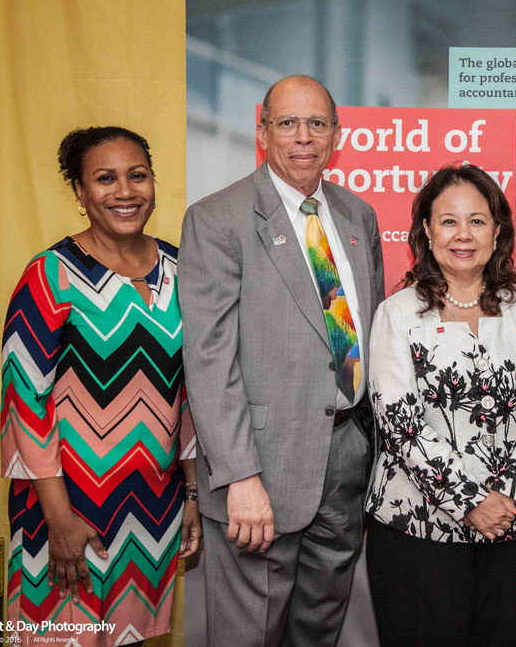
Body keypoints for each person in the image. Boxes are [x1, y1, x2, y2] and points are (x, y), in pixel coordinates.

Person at [178, 75, 385, 647]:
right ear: (262, 130)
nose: (303, 137)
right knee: (250, 635)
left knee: (319, 629)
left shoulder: (357, 215)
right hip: (259, 469)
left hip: (346, 456)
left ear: (336, 134)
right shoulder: (217, 219)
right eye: (288, 123)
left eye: (317, 124)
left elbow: (366, 333)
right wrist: (239, 475)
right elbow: (209, 358)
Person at [0, 127, 199, 646]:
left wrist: (192, 493)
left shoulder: (184, 268)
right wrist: (58, 518)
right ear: (80, 191)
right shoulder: (50, 275)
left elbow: (192, 391)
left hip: (153, 505)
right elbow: (24, 402)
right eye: (105, 178)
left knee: (130, 637)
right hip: (68, 505)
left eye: (138, 175)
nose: (125, 191)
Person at [364, 164, 516, 646]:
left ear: (498, 231)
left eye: (477, 220)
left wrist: (509, 502)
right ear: (427, 230)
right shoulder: (398, 314)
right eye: (448, 221)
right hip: (418, 533)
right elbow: (401, 424)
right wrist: (471, 502)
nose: (463, 234)